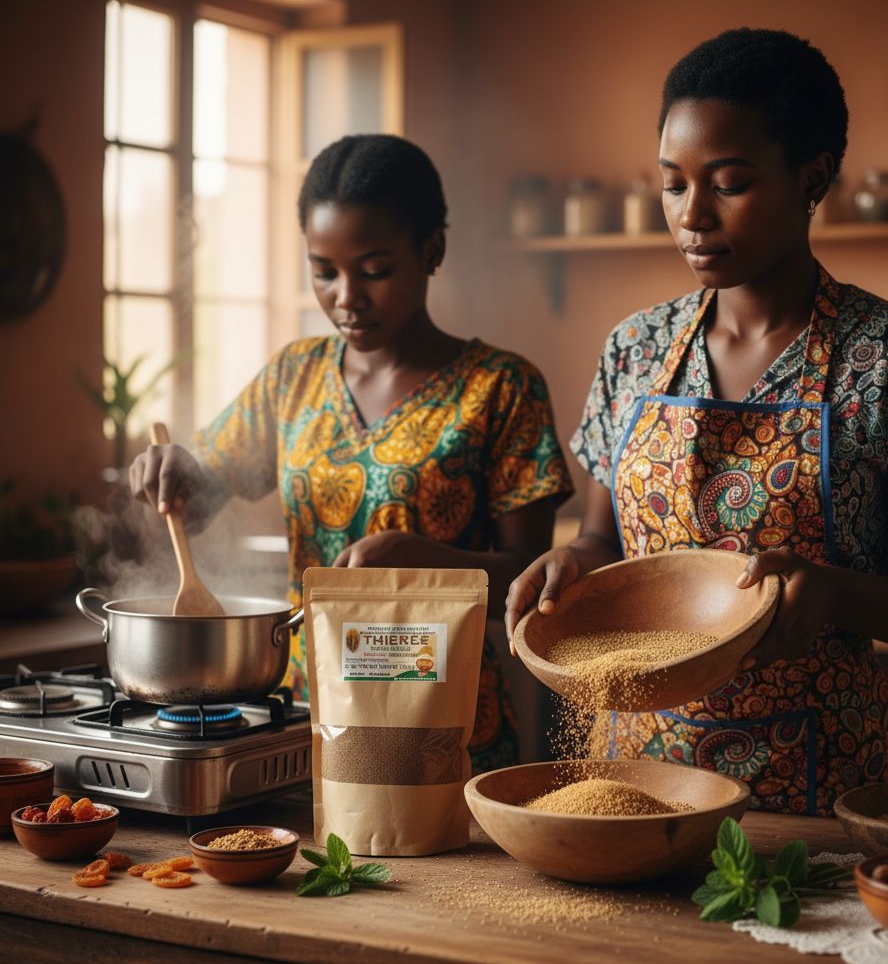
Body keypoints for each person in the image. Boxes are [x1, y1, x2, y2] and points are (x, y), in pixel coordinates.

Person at [504, 28, 888, 816]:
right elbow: (601, 542)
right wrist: (571, 568)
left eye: (728, 182)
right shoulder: (636, 348)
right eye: (672, 184)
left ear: (813, 178)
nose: (692, 214)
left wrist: (838, 595)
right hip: (632, 783)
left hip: (825, 787)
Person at [131, 134, 574, 772]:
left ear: (432, 251)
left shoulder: (501, 387)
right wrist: (171, 475)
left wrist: (424, 560)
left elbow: (531, 580)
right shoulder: (293, 378)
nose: (346, 296)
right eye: (324, 271)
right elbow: (197, 500)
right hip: (311, 717)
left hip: (446, 725)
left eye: (374, 270)